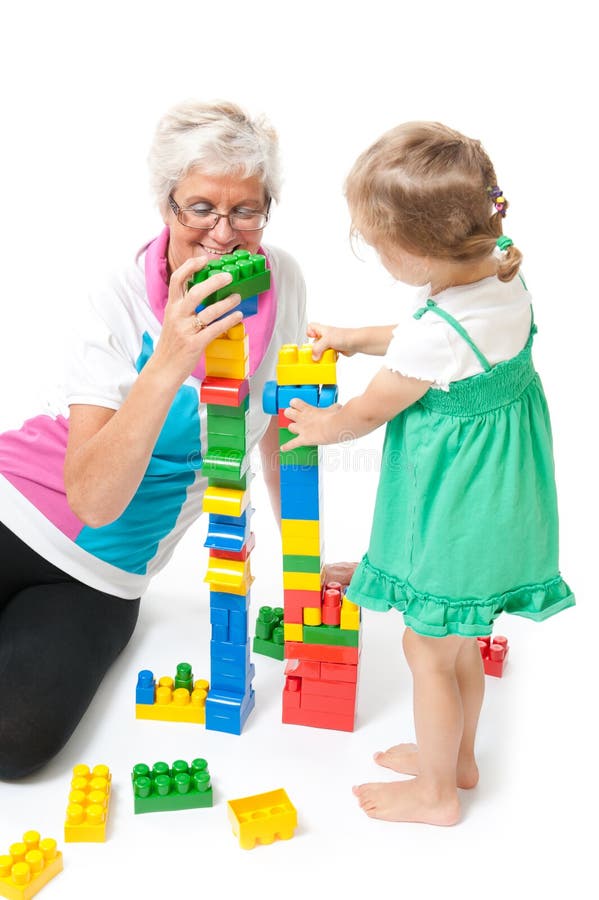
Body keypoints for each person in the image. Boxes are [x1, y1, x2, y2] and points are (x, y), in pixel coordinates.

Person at [0, 99, 310, 780]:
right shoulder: (115, 293)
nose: (223, 233)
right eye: (200, 208)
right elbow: (91, 495)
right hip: (16, 502)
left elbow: (283, 427)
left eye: (246, 211)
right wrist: (170, 355)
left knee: (18, 746)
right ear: (166, 204)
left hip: (103, 570)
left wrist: (306, 566)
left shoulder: (281, 280)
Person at [282, 121, 575, 826]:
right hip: (497, 497)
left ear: (415, 252)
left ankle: (436, 795)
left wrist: (322, 426)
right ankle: (459, 759)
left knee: (425, 647)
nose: (375, 253)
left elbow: (371, 409)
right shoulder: (500, 271)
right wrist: (356, 337)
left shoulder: (433, 332)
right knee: (456, 639)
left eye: (377, 244)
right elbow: (433, 336)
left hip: (457, 500)